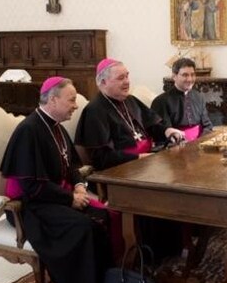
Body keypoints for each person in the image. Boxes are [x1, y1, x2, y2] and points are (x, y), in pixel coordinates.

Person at [0, 77, 119, 283]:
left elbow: (72, 165)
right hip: (29, 206)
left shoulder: (57, 128)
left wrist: (80, 187)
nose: (76, 105)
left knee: (104, 216)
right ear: (53, 100)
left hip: (54, 197)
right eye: (71, 100)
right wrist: (70, 198)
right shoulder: (29, 130)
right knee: (83, 226)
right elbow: (31, 185)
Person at [75, 58, 185, 262]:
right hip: (118, 173)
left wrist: (168, 130)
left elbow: (153, 125)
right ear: (103, 82)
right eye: (120, 78)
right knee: (160, 195)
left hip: (146, 164)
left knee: (177, 184)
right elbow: (101, 158)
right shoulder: (94, 111)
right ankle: (150, 254)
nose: (127, 81)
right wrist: (138, 157)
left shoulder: (130, 101)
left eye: (127, 76)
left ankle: (172, 249)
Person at [151, 58, 213, 142]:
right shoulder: (161, 101)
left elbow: (207, 126)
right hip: (176, 146)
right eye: (185, 75)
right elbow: (162, 131)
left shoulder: (199, 97)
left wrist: (201, 141)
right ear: (174, 76)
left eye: (192, 74)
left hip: (200, 143)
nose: (190, 79)